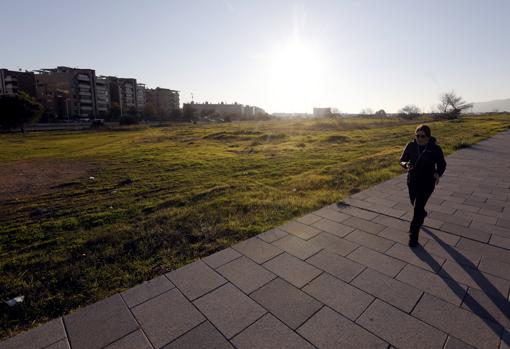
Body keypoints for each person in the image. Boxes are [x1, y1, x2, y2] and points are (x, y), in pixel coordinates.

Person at [400, 125, 446, 247]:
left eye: (423, 136)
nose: (419, 138)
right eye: (417, 136)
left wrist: (438, 173)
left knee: (417, 208)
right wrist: (406, 164)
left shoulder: (434, 148)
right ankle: (423, 213)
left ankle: (413, 236)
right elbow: (402, 160)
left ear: (428, 136)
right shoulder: (411, 145)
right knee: (414, 203)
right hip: (412, 180)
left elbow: (442, 163)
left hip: (427, 182)